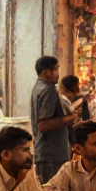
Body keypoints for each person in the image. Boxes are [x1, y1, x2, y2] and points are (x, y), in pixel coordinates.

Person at [30, 56, 77, 184]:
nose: (58, 74)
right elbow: (43, 125)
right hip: (51, 155)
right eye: (56, 69)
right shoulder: (48, 90)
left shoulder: (38, 87)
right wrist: (69, 118)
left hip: (45, 154)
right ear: (46, 72)